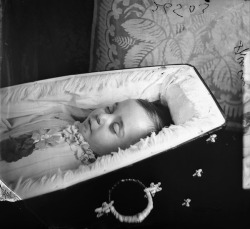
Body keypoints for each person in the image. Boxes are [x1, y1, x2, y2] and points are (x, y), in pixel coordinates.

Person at [0, 99, 172, 185]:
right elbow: (11, 123)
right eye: (110, 109)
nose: (102, 117)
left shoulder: (75, 173)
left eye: (115, 127)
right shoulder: (61, 117)